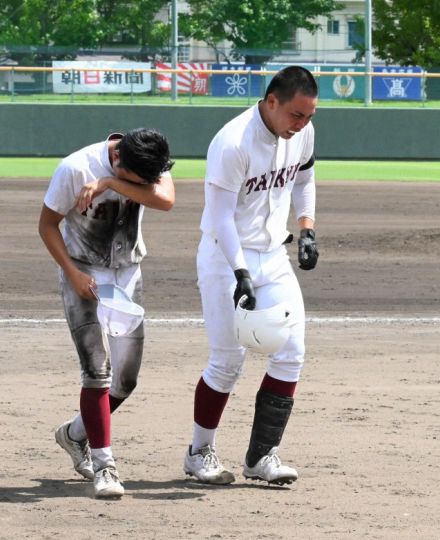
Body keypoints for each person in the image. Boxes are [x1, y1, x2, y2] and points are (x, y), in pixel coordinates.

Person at [183, 66, 319, 485]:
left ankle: (261, 457)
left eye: (310, 116)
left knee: (291, 352)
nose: (303, 124)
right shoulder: (232, 142)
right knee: (227, 360)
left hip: (273, 254)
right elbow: (221, 218)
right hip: (226, 257)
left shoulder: (301, 133)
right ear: (272, 101)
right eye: (297, 115)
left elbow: (305, 179)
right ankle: (198, 452)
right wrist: (241, 271)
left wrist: (307, 228)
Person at [39, 127, 175, 499]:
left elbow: (165, 200)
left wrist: (109, 184)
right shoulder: (74, 168)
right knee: (96, 371)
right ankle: (104, 466)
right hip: (82, 272)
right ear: (118, 158)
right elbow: (47, 225)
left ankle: (73, 434)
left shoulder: (147, 156)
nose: (149, 183)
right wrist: (72, 274)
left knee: (125, 381)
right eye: (138, 179)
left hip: (127, 274)